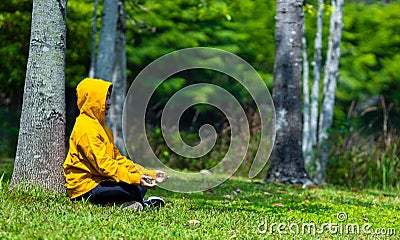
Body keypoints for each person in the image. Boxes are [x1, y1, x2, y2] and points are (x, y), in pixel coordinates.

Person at [63, 78, 168, 210]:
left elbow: (118, 159)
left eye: (108, 98)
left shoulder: (102, 128)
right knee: (133, 187)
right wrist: (135, 178)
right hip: (84, 187)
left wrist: (148, 173)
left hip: (101, 180)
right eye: (104, 99)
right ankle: (140, 205)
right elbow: (103, 165)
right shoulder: (85, 128)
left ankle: (134, 203)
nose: (109, 103)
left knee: (138, 185)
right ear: (92, 99)